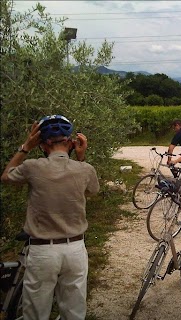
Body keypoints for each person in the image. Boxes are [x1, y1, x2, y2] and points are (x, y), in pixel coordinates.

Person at [1, 115, 100, 319]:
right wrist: (81, 158)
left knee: (36, 312)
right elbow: (91, 191)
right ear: (71, 142)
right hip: (75, 249)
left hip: (42, 250)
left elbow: (6, 176)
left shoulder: (33, 167)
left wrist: (25, 147)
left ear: (43, 144)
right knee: (74, 311)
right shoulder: (85, 169)